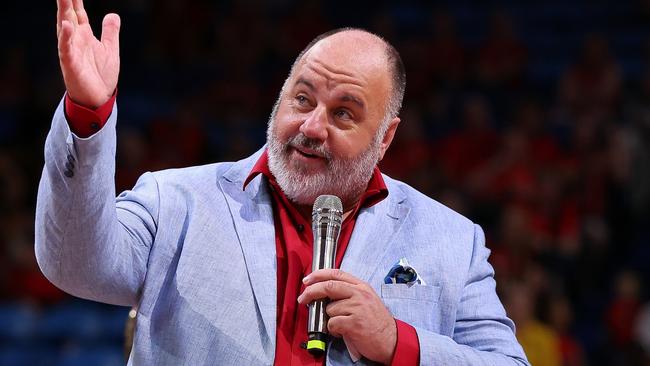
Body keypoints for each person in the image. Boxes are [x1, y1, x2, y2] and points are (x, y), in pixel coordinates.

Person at [35, 0, 530, 364]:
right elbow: (74, 264)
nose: (312, 126)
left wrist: (397, 341)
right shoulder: (176, 202)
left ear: (385, 138)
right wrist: (88, 115)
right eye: (302, 99)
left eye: (343, 113)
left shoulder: (451, 239)